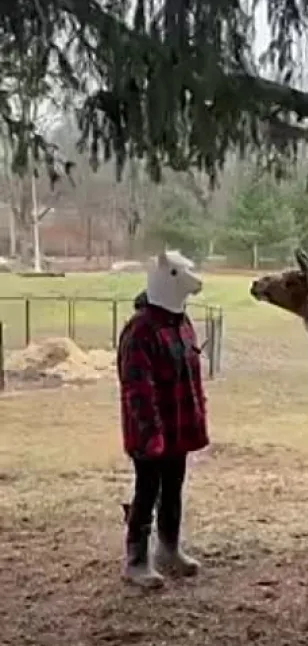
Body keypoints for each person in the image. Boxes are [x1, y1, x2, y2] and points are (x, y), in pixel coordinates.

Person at [117, 250, 209, 589]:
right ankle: (136, 559)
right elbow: (138, 388)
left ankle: (169, 549)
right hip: (151, 433)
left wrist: (196, 418)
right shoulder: (141, 331)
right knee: (147, 490)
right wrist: (150, 433)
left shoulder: (181, 323)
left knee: (173, 488)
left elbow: (191, 377)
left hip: (178, 427)